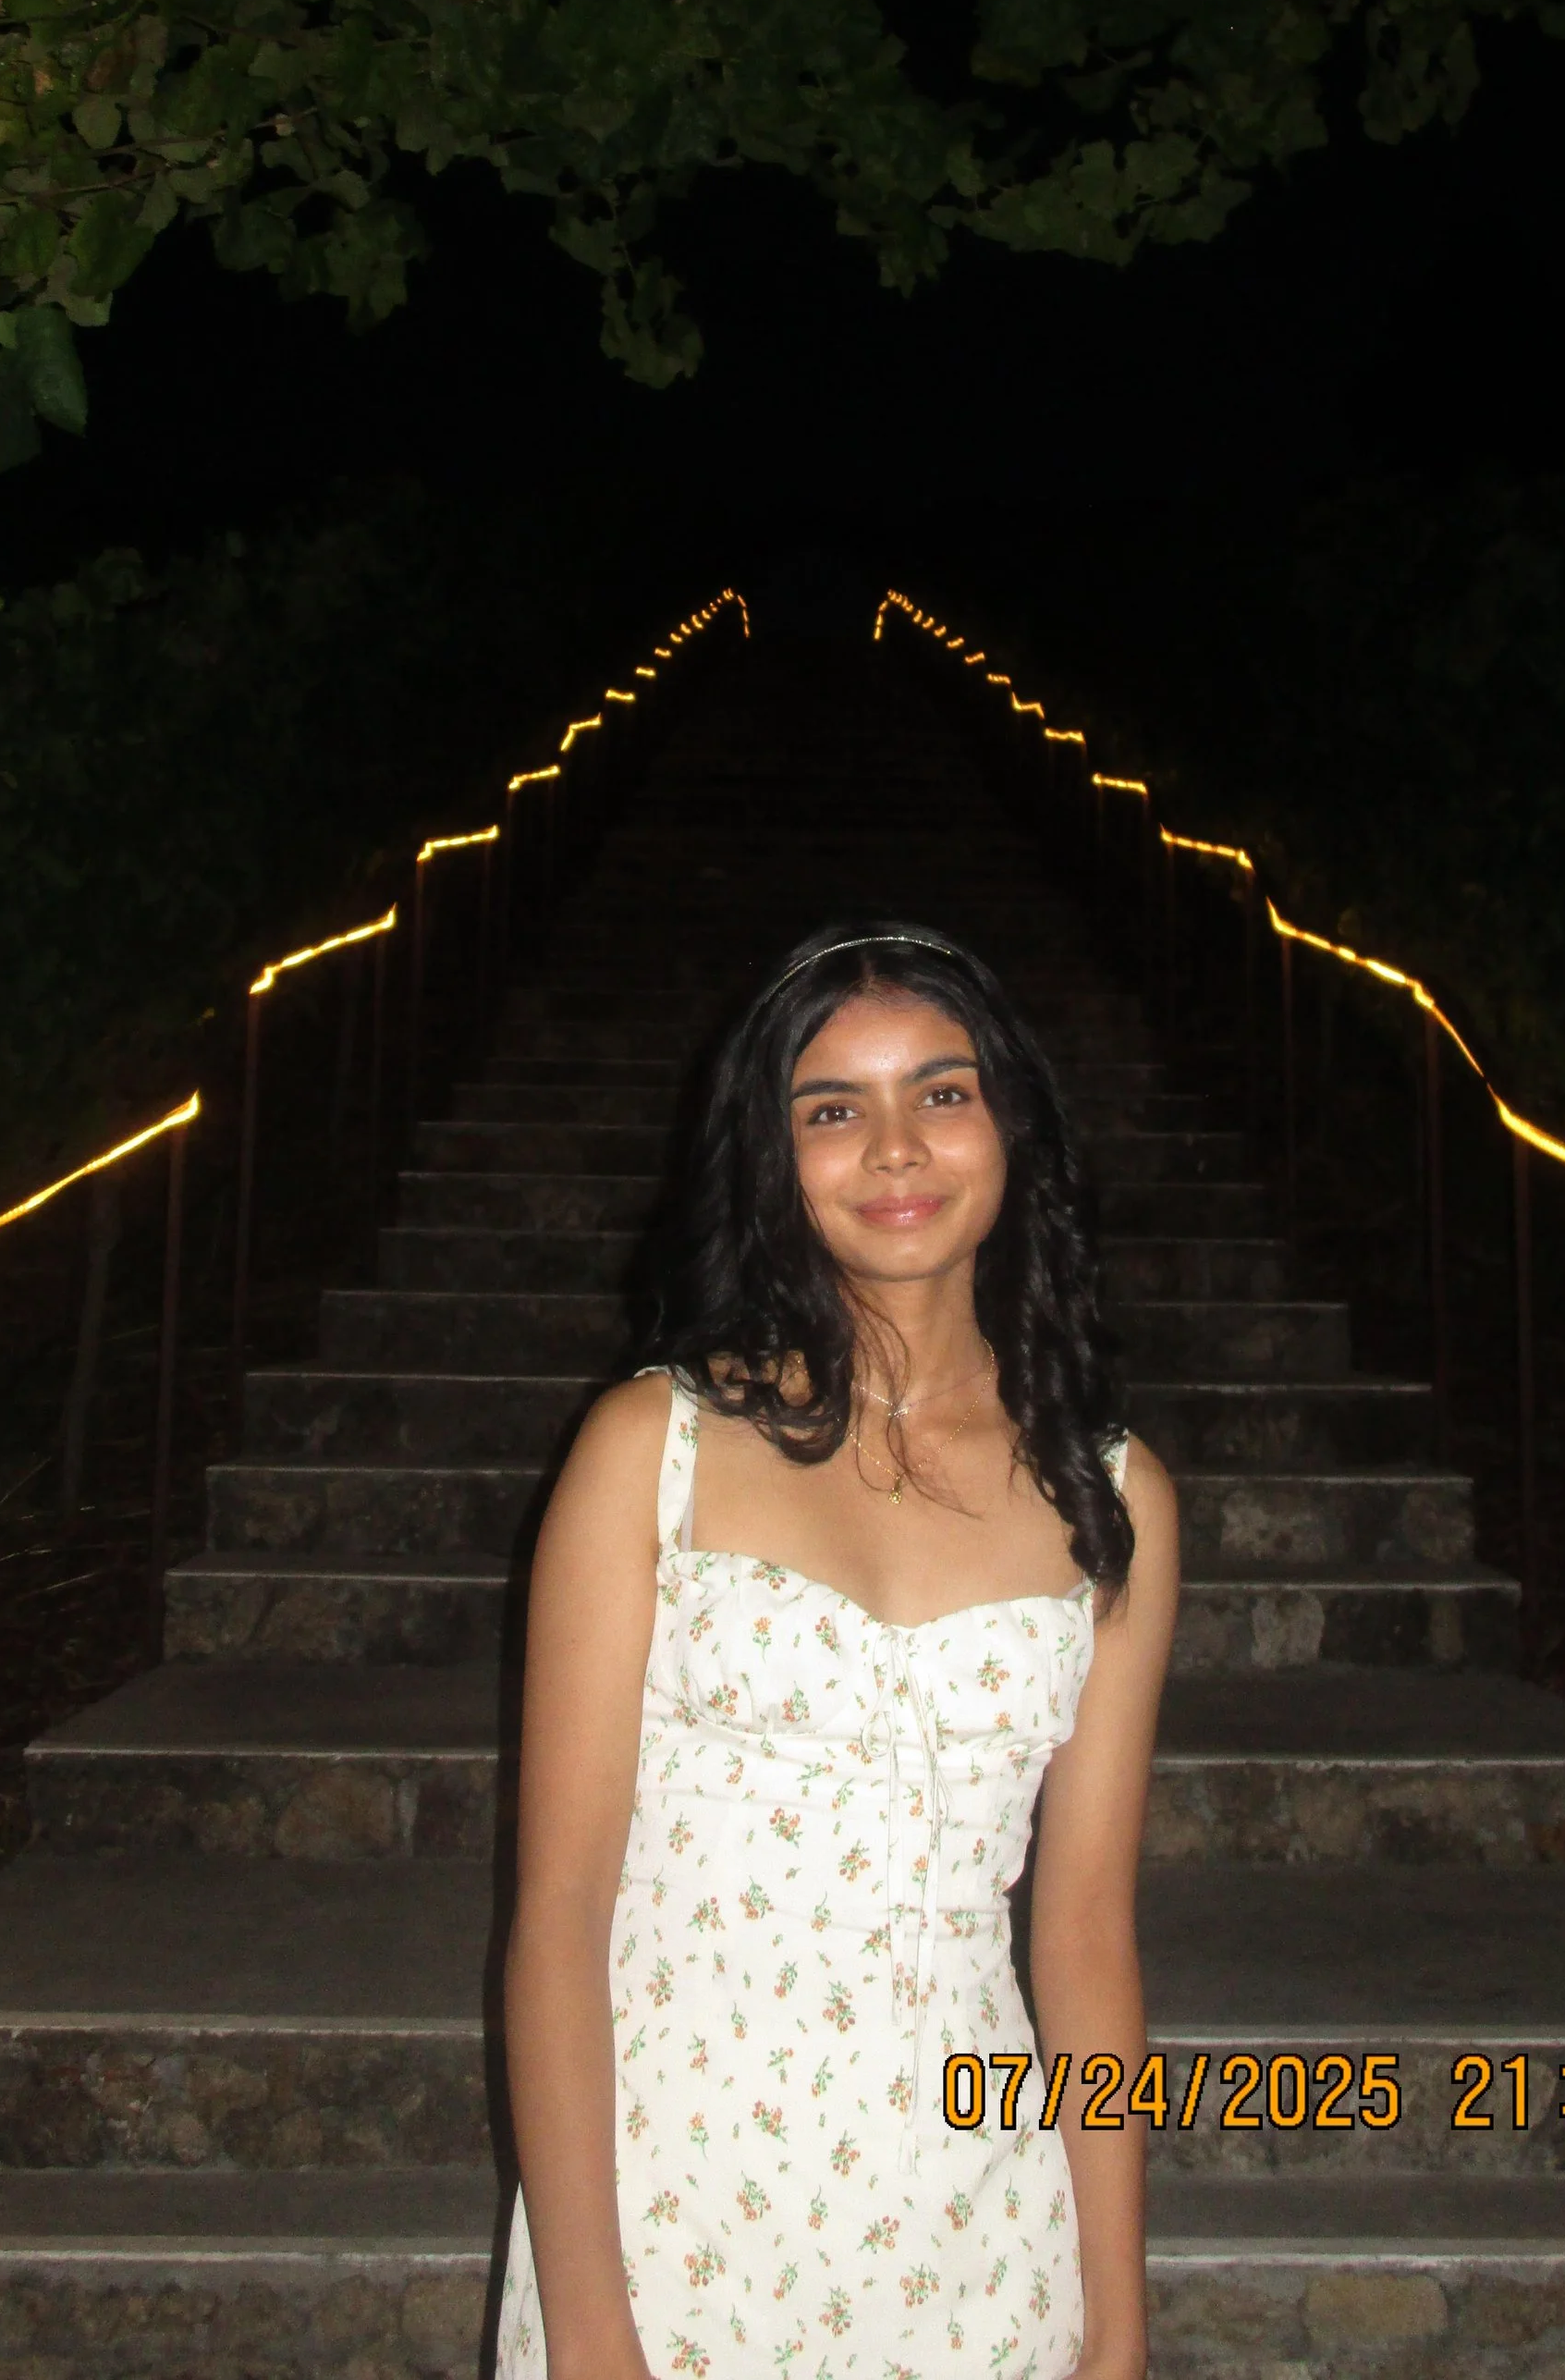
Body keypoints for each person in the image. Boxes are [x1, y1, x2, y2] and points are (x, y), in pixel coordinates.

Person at [496, 923, 1180, 2380]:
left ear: (1009, 1127)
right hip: (673, 2223)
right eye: (832, 1109)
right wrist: (590, 2327)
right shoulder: (652, 1451)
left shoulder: (1110, 1495)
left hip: (983, 2237)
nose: (895, 1149)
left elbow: (1084, 1937)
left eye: (942, 1092)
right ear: (774, 1156)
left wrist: (1117, 2323)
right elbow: (558, 1914)